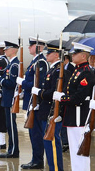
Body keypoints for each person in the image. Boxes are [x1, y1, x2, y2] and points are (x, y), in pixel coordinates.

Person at [54, 42, 95, 171]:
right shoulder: (77, 70)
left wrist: (61, 98)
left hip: (79, 118)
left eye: (75, 53)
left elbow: (78, 98)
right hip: (72, 116)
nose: (72, 55)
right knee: (74, 151)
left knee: (80, 151)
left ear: (83, 56)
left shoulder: (86, 73)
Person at [17, 37, 48, 169]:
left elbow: (38, 84)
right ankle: (35, 158)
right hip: (31, 101)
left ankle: (38, 160)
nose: (29, 48)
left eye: (31, 46)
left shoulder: (41, 63)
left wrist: (22, 83)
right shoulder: (35, 61)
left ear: (39, 47)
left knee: (36, 133)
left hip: (36, 103)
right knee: (33, 133)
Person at [39, 42, 66, 171]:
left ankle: (56, 169)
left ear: (56, 55)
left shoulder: (58, 71)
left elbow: (53, 92)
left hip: (52, 112)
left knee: (53, 144)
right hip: (47, 111)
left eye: (49, 53)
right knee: (48, 144)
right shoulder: (53, 69)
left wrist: (40, 93)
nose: (47, 55)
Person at [0, 40, 20, 158]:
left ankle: (14, 151)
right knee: (9, 126)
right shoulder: (11, 64)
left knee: (11, 126)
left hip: (11, 100)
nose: (5, 51)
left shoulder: (15, 65)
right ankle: (11, 149)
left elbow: (12, 83)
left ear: (13, 50)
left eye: (7, 49)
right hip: (6, 99)